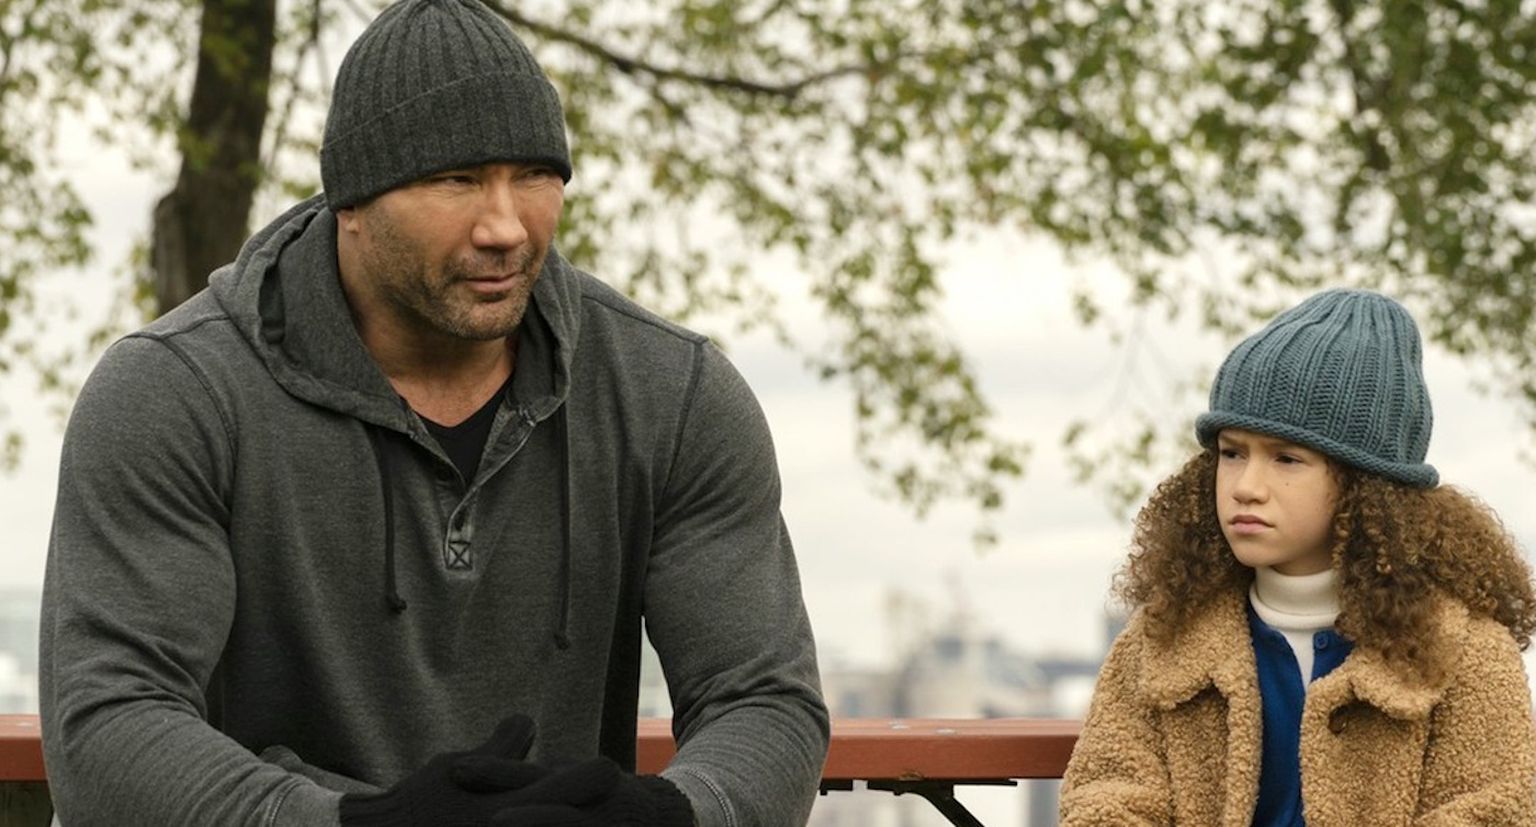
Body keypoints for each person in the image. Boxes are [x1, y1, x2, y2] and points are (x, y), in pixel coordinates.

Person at [38, 1, 829, 825]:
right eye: (456, 179)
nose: (505, 226)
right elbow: (108, 727)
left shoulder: (674, 394)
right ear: (351, 200)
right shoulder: (173, 393)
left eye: (534, 175)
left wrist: (667, 816)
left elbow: (765, 699)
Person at [1059, 288, 1536, 825]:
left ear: (1366, 486)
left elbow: (1489, 813)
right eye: (1232, 453)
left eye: (1286, 459)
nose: (1246, 486)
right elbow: (1107, 799)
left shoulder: (1467, 653)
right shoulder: (1161, 638)